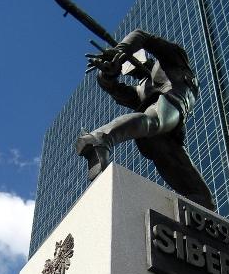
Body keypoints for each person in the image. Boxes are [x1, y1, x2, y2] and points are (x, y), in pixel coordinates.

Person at [75, 29, 215, 210]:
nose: (135, 73)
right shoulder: (141, 90)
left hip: (166, 137)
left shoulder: (173, 60)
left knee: (201, 198)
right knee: (157, 119)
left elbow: (142, 35)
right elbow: (116, 90)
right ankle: (101, 138)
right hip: (162, 120)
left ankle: (196, 222)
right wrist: (107, 75)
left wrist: (122, 50)